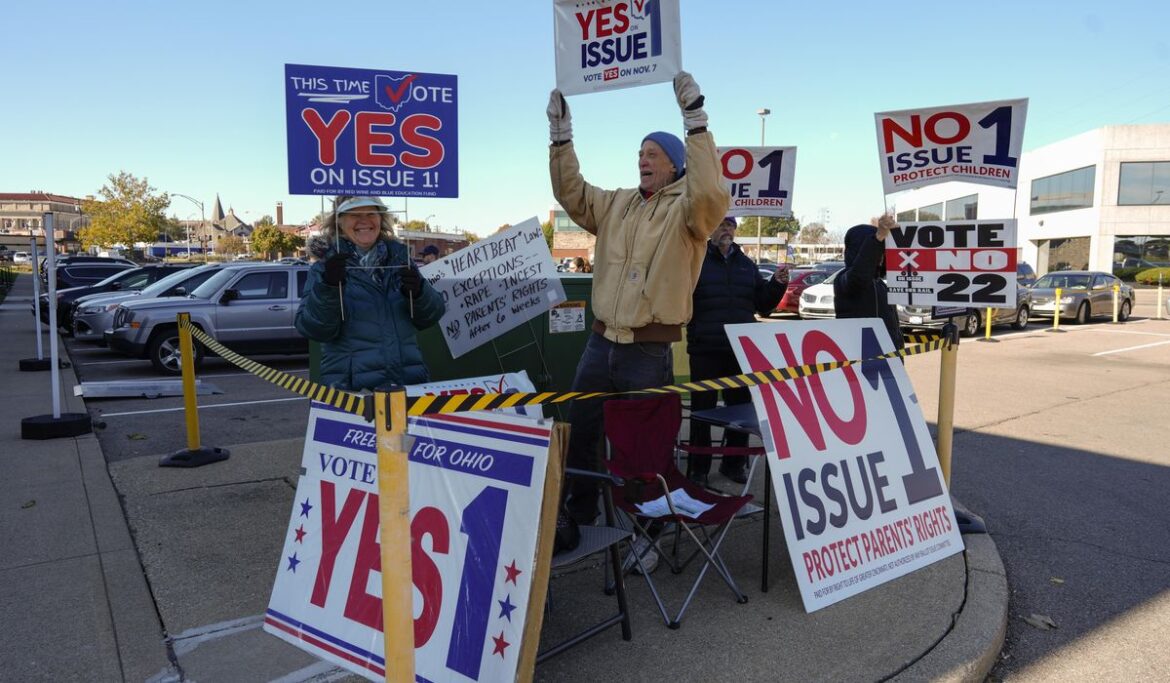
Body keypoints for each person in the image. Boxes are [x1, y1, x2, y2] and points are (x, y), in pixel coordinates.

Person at [547, 71, 730, 529]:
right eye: (640, 154)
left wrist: (696, 122)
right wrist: (561, 136)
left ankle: (645, 527)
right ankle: (579, 512)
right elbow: (571, 192)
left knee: (643, 447)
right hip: (600, 343)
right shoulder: (618, 203)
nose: (643, 160)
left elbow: (710, 192)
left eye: (652, 154)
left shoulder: (689, 211)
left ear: (674, 164)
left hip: (647, 351)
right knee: (583, 430)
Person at [296, 196, 445, 391]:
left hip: (408, 385)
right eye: (354, 214)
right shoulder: (324, 268)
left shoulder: (400, 260)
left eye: (371, 213)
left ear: (381, 218)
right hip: (353, 392)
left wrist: (419, 293)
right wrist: (328, 288)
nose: (364, 220)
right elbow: (313, 329)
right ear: (339, 222)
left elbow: (431, 316)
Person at [686, 216, 788, 486]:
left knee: (740, 411)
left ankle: (733, 465)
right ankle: (698, 469)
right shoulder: (696, 260)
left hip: (740, 351)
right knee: (702, 411)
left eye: (730, 225)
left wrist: (777, 284)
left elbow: (763, 305)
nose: (727, 230)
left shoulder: (746, 265)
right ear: (711, 229)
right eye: (721, 225)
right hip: (705, 349)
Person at [833, 214, 904, 350]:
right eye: (879, 250)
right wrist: (877, 239)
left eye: (882, 250)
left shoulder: (881, 284)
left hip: (889, 358)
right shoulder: (843, 280)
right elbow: (859, 275)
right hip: (859, 356)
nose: (881, 256)